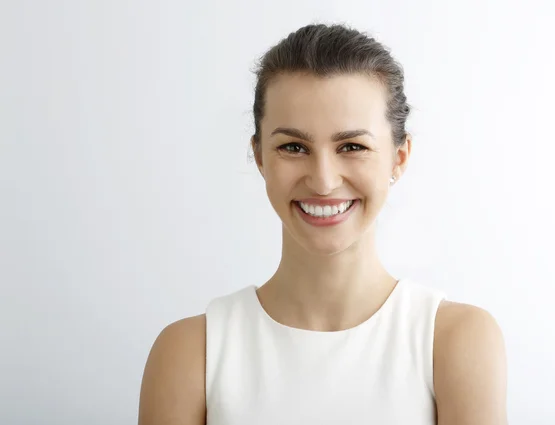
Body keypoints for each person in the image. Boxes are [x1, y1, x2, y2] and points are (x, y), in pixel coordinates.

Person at [138, 23, 508, 425]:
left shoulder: (454, 341)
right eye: (293, 147)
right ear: (260, 157)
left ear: (398, 158)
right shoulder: (191, 353)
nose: (324, 180)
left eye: (352, 146)